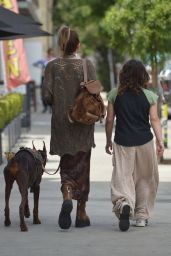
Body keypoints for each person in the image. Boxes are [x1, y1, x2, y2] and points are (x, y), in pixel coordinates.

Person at [42, 26, 96, 229]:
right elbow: (94, 92)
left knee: (67, 163)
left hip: (62, 124)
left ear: (60, 45)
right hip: (83, 123)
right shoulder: (86, 65)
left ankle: (67, 192)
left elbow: (46, 97)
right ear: (78, 45)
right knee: (82, 165)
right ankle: (81, 213)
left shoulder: (52, 66)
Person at [105, 59, 164, 232]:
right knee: (145, 179)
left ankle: (124, 204)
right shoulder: (150, 96)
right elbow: (154, 119)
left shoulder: (114, 94)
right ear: (142, 76)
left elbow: (109, 120)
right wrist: (160, 141)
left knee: (122, 178)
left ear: (123, 75)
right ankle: (141, 217)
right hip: (145, 142)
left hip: (122, 142)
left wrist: (108, 140)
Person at [33, 48, 55, 113]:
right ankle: (45, 107)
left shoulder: (54, 59)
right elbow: (34, 64)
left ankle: (51, 107)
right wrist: (41, 67)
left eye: (51, 53)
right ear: (48, 53)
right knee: (43, 92)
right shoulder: (44, 60)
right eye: (49, 52)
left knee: (51, 92)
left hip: (51, 78)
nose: (50, 54)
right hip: (44, 77)